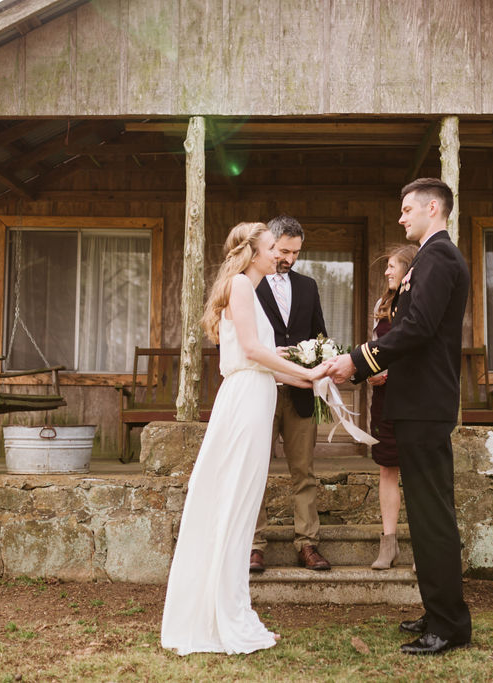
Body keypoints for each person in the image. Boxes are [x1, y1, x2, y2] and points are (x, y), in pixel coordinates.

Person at [160, 222, 331, 656]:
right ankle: (222, 617)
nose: (280, 254)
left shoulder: (247, 289)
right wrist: (307, 370)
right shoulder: (239, 285)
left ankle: (234, 612)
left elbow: (266, 364)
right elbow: (254, 353)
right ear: (253, 251)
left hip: (259, 392)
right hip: (245, 400)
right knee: (234, 501)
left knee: (244, 500)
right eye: (273, 247)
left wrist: (312, 374)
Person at [327, 179, 472, 656]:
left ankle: (449, 626)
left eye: (408, 210)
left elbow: (418, 327)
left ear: (434, 208)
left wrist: (360, 359)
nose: (401, 218)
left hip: (426, 404)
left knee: (433, 515)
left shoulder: (439, 257)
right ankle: (439, 613)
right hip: (417, 403)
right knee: (426, 512)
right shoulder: (430, 258)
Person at [250, 215, 332, 572]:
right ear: (269, 243)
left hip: (300, 394)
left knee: (304, 472)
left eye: (296, 252)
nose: (290, 259)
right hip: (259, 390)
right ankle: (253, 544)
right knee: (254, 471)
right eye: (284, 250)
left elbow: (319, 334)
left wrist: (323, 359)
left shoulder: (309, 286)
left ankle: (308, 544)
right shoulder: (246, 284)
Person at [367, 244, 418, 570]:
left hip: (413, 398)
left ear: (408, 269)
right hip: (384, 400)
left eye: (392, 266)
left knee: (416, 473)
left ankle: (421, 547)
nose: (387, 271)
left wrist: (394, 373)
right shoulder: (382, 304)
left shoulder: (418, 302)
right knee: (388, 469)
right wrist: (370, 371)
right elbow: (377, 346)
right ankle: (389, 544)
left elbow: (420, 348)